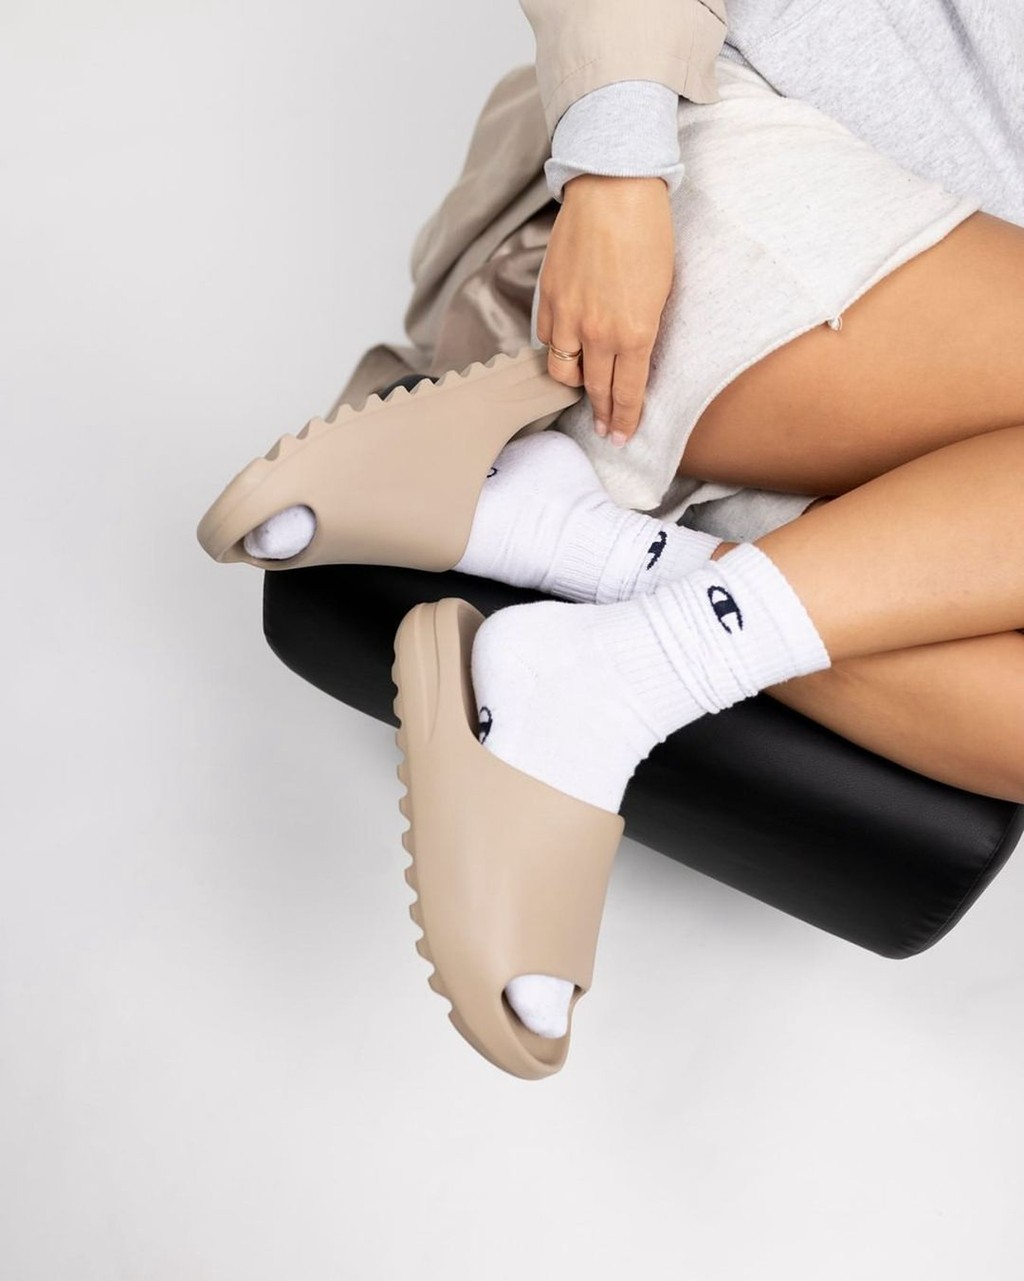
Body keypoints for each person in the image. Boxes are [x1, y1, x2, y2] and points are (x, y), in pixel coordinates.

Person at [225, 1, 1024, 1051]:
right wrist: (614, 171)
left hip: (928, 453)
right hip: (705, 192)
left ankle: (592, 566)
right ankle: (602, 656)